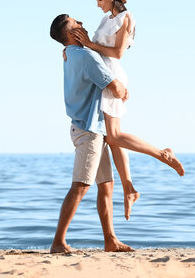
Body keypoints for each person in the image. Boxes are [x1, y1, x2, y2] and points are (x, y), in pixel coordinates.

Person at [71, 0, 185, 220]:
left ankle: (162, 154)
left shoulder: (126, 18)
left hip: (111, 75)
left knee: (114, 136)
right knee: (113, 140)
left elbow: (118, 53)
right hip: (103, 76)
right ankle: (129, 188)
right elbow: (96, 51)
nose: (98, 5)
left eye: (100, 0)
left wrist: (89, 44)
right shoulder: (106, 19)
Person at [49, 14, 133, 253]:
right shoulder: (85, 57)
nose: (82, 25)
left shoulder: (70, 55)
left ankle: (111, 240)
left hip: (90, 128)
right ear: (70, 34)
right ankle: (58, 242)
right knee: (81, 186)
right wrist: (123, 90)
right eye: (77, 24)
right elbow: (114, 87)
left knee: (106, 185)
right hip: (89, 130)